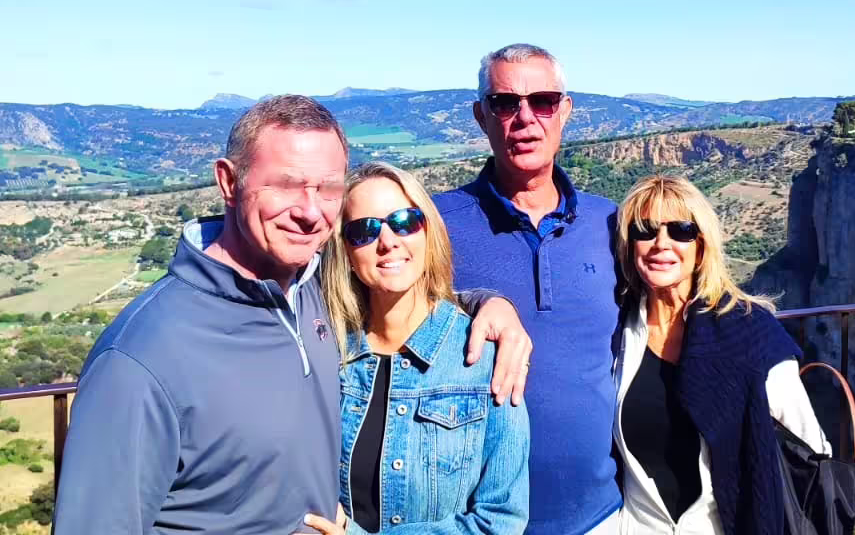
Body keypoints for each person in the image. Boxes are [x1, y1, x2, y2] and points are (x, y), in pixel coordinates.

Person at [55, 96, 531, 534]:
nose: (308, 212)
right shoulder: (141, 355)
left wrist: (492, 303)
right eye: (286, 185)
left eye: (326, 189)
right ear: (227, 181)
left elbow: (404, 290)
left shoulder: (312, 297)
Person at [433, 44, 623, 535]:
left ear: (565, 111)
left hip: (600, 516)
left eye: (542, 101)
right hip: (477, 521)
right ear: (481, 116)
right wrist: (476, 298)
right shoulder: (434, 226)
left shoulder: (612, 223)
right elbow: (372, 306)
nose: (524, 118)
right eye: (504, 103)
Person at [305, 162, 529, 535]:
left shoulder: (483, 359)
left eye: (404, 221)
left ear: (428, 231)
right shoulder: (328, 356)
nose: (388, 241)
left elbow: (501, 521)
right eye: (364, 230)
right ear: (344, 251)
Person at [611, 175, 830, 535]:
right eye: (645, 230)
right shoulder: (618, 331)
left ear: (701, 245)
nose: (660, 243)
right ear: (629, 244)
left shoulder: (749, 332)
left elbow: (810, 449)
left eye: (681, 230)